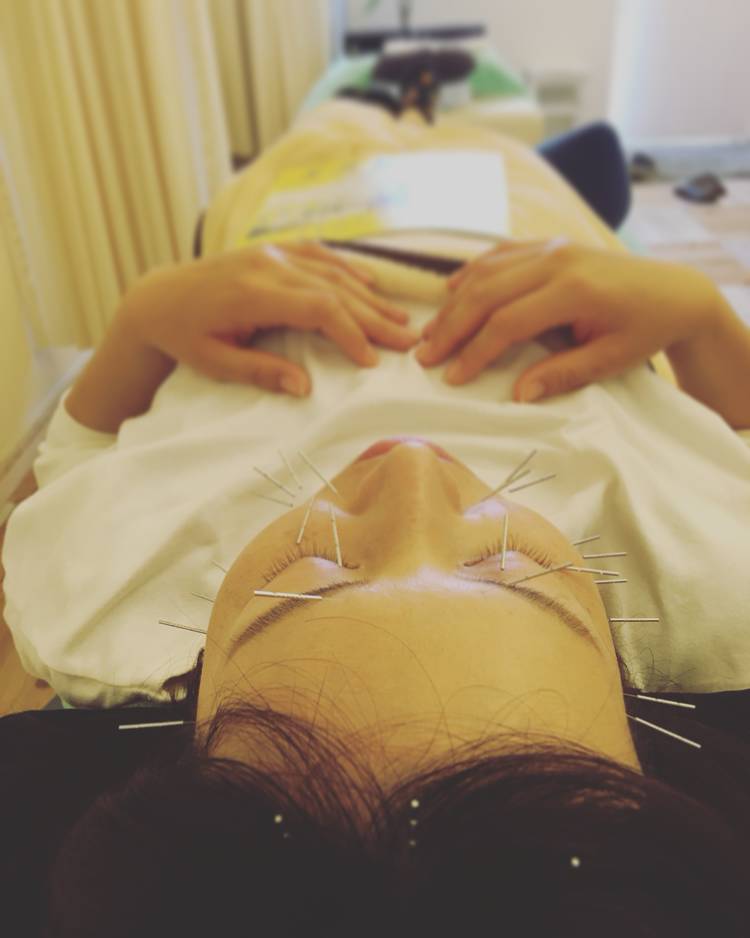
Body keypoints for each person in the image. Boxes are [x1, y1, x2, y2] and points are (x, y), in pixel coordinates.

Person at [3, 100, 750, 936]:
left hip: (291, 242)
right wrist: (696, 313)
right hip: (518, 246)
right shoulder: (717, 582)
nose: (411, 466)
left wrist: (144, 318)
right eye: (510, 565)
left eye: (312, 566)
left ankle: (406, 108)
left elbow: (73, 459)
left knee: (339, 115)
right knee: (477, 126)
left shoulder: (97, 608)